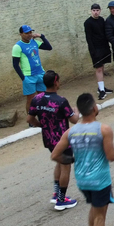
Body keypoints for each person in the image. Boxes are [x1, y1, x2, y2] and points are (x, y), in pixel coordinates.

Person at [50, 92, 114, 226]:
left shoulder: (71, 131)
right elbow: (111, 156)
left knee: (94, 209)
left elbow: (55, 155)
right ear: (94, 109)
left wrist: (74, 160)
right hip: (100, 179)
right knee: (100, 216)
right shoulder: (104, 129)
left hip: (82, 179)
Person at [27, 70, 78, 211]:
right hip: (62, 140)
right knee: (66, 167)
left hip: (48, 140)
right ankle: (61, 200)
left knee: (59, 163)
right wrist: (76, 111)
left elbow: (29, 119)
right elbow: (74, 120)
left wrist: (41, 125)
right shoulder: (61, 101)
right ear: (56, 82)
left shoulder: (36, 99)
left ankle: (56, 194)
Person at [12, 24, 53, 113]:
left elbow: (49, 47)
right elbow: (15, 64)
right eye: (27, 33)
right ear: (21, 34)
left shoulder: (34, 42)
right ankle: (31, 118)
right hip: (28, 76)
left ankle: (44, 115)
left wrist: (42, 36)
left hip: (40, 73)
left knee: (42, 96)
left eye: (31, 32)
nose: (29, 34)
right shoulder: (17, 47)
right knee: (31, 99)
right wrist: (23, 78)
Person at [84, 4, 112, 100]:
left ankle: (101, 87)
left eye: (97, 10)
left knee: (102, 66)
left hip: (104, 47)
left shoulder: (101, 20)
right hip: (95, 49)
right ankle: (101, 91)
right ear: (91, 11)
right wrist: (93, 51)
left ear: (100, 11)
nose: (95, 12)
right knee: (98, 68)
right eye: (94, 10)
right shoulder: (87, 22)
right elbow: (89, 38)